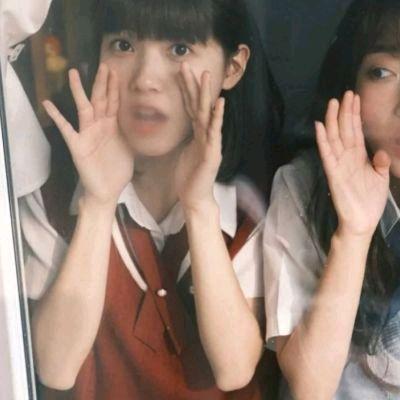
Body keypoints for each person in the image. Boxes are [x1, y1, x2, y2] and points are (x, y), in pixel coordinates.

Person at [26, 0, 279, 398]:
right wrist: (98, 203)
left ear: (233, 67)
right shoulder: (49, 190)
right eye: (123, 45)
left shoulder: (251, 206)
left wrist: (198, 207)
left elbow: (234, 369)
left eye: (179, 48)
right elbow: (55, 367)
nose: (145, 79)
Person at [264, 0, 400, 398]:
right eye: (382, 72)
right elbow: (309, 388)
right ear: (349, 84)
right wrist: (353, 235)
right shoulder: (303, 186)